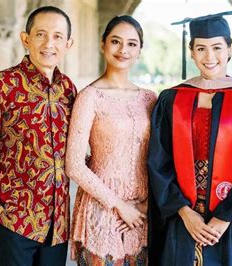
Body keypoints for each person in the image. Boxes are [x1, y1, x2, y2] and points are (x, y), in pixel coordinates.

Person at [147, 10, 232, 265]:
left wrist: (224, 218)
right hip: (183, 217)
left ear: (230, 48)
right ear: (191, 51)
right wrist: (183, 212)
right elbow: (158, 162)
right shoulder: (171, 98)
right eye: (201, 48)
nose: (209, 57)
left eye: (217, 47)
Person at [0, 6, 75, 266]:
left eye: (58, 36)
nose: (49, 44)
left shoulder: (69, 90)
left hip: (57, 227)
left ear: (68, 44)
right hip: (13, 223)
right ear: (26, 39)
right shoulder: (0, 85)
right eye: (41, 35)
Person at [65, 15, 156, 265]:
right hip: (102, 207)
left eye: (131, 44)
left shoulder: (150, 99)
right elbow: (73, 164)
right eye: (115, 41)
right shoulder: (89, 97)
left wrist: (146, 205)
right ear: (103, 44)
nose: (123, 50)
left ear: (139, 51)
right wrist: (119, 206)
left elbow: (160, 157)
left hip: (142, 210)